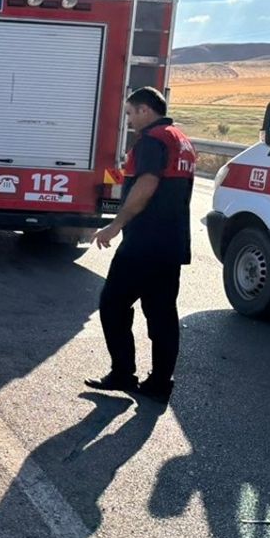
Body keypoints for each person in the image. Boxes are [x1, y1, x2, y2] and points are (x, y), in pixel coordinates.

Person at [86, 87, 197, 403]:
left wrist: (115, 225)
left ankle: (123, 373)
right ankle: (160, 383)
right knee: (162, 312)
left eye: (131, 113)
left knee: (113, 304)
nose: (130, 120)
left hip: (144, 242)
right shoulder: (182, 140)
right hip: (171, 243)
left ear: (146, 110)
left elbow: (147, 184)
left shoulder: (152, 140)